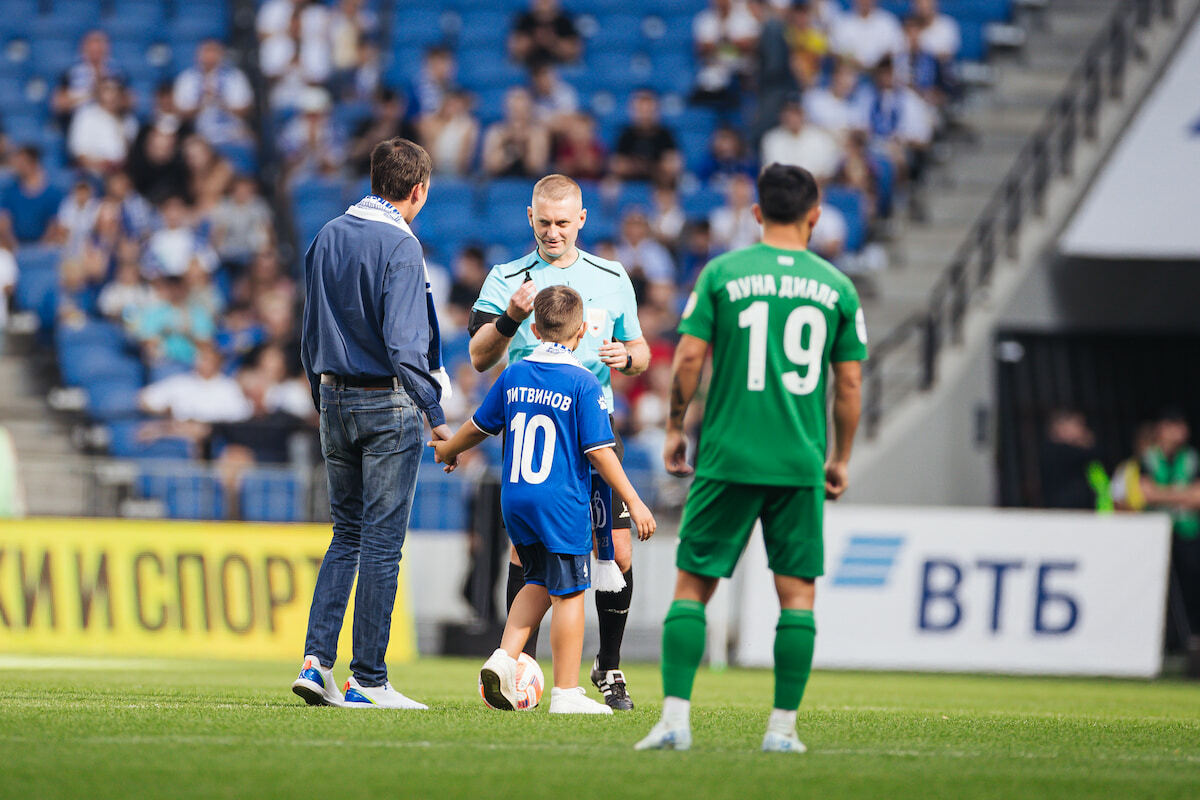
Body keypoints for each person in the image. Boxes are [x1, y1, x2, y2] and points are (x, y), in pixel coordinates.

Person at [636, 163, 868, 753]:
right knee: (797, 598)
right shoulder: (838, 287)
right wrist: (839, 457)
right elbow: (849, 386)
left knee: (692, 588)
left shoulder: (722, 272)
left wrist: (674, 429)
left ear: (757, 214)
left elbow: (688, 359)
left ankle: (674, 722)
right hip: (799, 462)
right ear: (815, 215)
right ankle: (782, 731)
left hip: (727, 457)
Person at [467, 174, 651, 710]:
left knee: (615, 551)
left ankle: (608, 667)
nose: (552, 233)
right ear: (530, 218)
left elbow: (639, 349)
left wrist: (627, 358)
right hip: (536, 428)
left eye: (562, 223)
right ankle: (517, 665)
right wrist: (510, 318)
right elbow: (480, 356)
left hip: (593, 425)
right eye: (544, 223)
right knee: (529, 552)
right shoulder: (507, 277)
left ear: (582, 220)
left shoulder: (612, 276)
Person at [432, 285, 656, 714]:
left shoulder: (513, 374)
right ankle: (567, 693)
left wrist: (448, 449)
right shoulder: (584, 382)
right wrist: (634, 499)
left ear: (533, 328)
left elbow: (480, 426)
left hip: (515, 500)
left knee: (535, 579)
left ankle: (504, 657)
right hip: (560, 502)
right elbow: (599, 452)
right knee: (569, 593)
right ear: (581, 334)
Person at [292, 137, 451, 710]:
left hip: (333, 397)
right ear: (419, 190)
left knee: (346, 535)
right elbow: (407, 348)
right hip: (387, 404)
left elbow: (309, 333)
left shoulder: (326, 235)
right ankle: (369, 679)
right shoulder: (403, 247)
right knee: (382, 545)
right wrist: (436, 418)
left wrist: (322, 395)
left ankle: (315, 663)